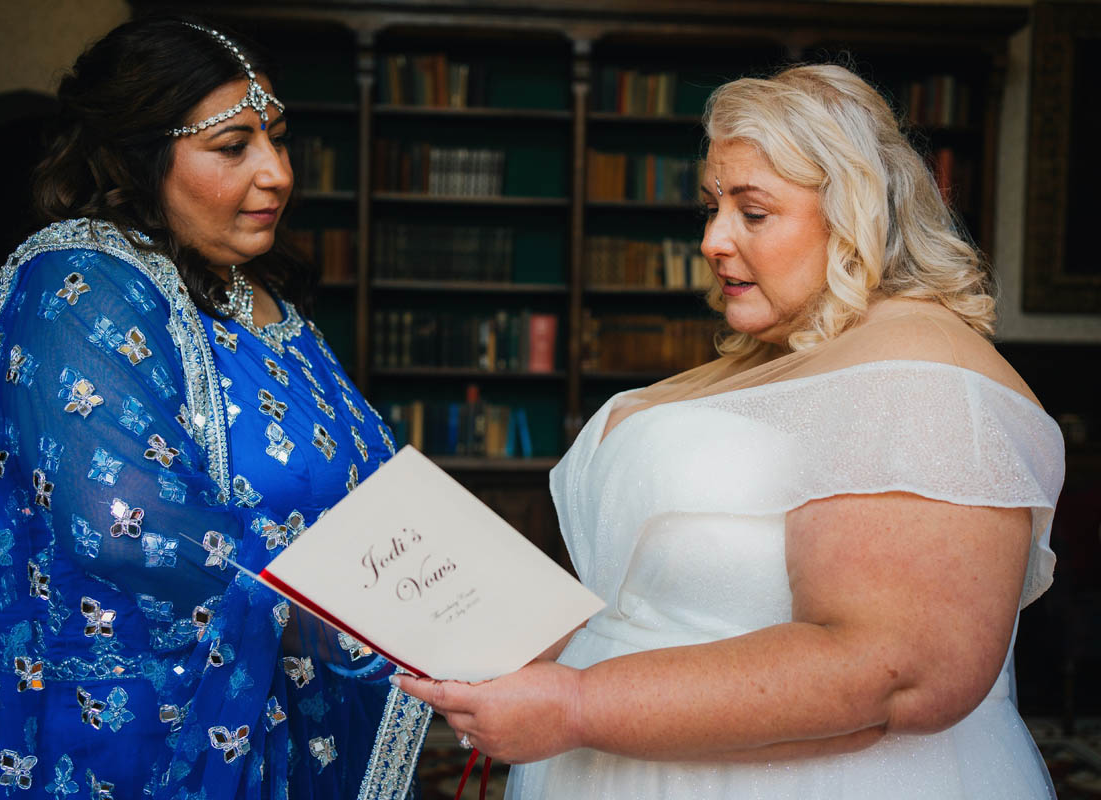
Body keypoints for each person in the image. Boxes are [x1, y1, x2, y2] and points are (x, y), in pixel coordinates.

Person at [395, 63, 1064, 799]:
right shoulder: (787, 356)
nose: (713, 240)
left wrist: (579, 705)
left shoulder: (921, 372)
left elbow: (893, 671)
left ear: (856, 213)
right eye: (713, 207)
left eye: (753, 212)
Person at [0, 16, 429, 800]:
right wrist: (355, 622)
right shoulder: (80, 283)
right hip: (135, 745)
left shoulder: (258, 296)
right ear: (140, 156)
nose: (278, 173)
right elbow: (124, 523)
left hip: (298, 727)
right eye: (233, 146)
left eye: (279, 140)